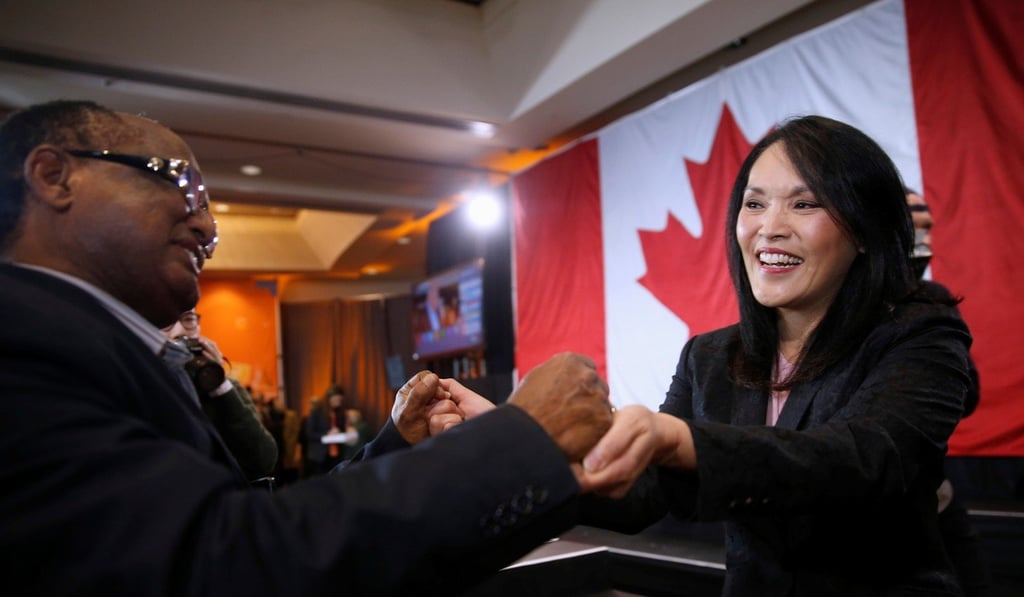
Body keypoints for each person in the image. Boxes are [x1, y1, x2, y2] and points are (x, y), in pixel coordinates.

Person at [0, 99, 614, 596]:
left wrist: (396, 445)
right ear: (55, 176)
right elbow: (230, 565)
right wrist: (521, 438)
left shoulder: (105, 345)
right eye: (183, 183)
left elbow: (252, 517)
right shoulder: (24, 338)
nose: (209, 227)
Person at [429, 116, 975, 595]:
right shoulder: (710, 355)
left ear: (864, 230)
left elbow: (861, 460)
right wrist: (509, 435)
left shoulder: (921, 332)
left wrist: (677, 439)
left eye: (805, 203)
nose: (769, 226)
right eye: (754, 203)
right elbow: (640, 497)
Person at [905, 187, 991, 597]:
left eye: (928, 228)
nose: (924, 242)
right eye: (913, 228)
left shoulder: (933, 303)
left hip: (933, 493)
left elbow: (967, 395)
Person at [162, 309, 278, 482]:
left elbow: (263, 460)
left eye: (189, 319)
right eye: (168, 321)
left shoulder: (224, 387)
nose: (179, 331)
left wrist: (219, 385)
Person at [303, 385, 347, 476]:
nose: (339, 402)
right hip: (319, 455)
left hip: (336, 455)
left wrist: (339, 432)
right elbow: (309, 433)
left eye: (340, 400)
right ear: (330, 398)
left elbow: (342, 430)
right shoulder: (317, 412)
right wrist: (326, 435)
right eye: (337, 399)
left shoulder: (339, 413)